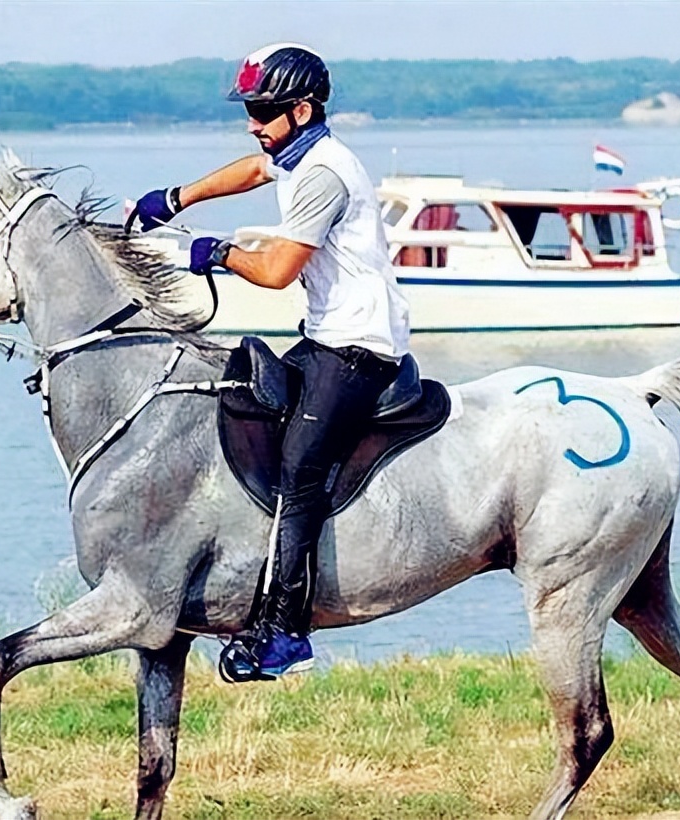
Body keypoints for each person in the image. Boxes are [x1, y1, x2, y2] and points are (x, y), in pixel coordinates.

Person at [132, 43, 410, 680]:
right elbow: (255, 171)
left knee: (299, 468)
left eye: (262, 111)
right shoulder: (295, 154)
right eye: (249, 110)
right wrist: (176, 198)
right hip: (325, 335)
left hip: (359, 347)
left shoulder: (324, 174)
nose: (252, 122)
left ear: (302, 110)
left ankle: (285, 634)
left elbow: (278, 270)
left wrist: (218, 253)